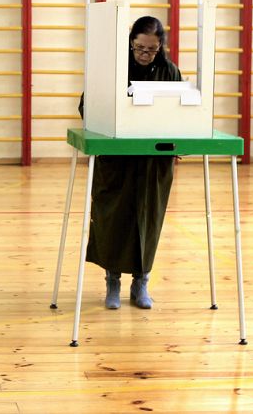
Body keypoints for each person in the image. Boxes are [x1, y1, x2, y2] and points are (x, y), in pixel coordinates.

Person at [78, 16, 181, 310]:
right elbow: (88, 105)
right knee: (114, 219)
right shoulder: (114, 68)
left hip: (153, 162)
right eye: (139, 48)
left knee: (148, 220)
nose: (145, 55)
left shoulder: (169, 71)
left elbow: (181, 110)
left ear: (160, 47)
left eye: (151, 50)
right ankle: (112, 281)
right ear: (130, 43)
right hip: (118, 159)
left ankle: (141, 282)